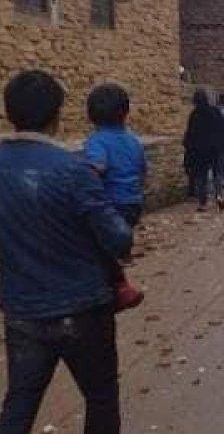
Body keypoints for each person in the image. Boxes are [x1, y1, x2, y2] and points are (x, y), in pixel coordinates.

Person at [0, 69, 132, 434]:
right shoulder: (72, 170)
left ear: (9, 112)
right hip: (83, 306)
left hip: (22, 308)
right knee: (101, 398)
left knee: (19, 403)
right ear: (56, 116)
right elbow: (119, 238)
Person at [83, 83, 146, 311]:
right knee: (106, 249)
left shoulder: (97, 141)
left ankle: (118, 288)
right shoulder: (133, 141)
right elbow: (142, 171)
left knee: (94, 246)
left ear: (90, 116)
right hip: (132, 203)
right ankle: (118, 282)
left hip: (110, 205)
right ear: (126, 112)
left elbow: (96, 168)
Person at [183, 89, 224, 211]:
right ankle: (219, 196)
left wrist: (189, 147)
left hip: (201, 150)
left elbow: (190, 133)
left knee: (202, 176)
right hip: (217, 148)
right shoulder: (215, 111)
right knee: (218, 174)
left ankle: (203, 203)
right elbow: (223, 128)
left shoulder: (194, 114)